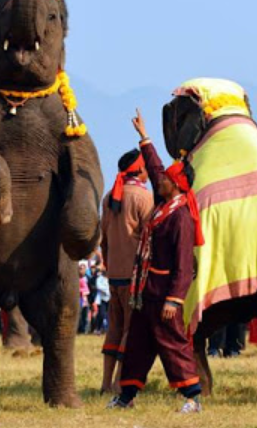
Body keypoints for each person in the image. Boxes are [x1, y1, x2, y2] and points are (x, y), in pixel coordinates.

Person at [107, 109, 204, 413]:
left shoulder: (181, 218)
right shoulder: (165, 204)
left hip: (164, 294)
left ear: (175, 185)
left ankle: (192, 397)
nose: (158, 181)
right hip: (145, 292)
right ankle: (126, 396)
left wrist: (174, 300)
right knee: (137, 343)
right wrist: (144, 136)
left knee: (173, 343)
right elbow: (156, 165)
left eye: (165, 180)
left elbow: (184, 265)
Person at [99, 148, 153, 393]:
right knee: (131, 331)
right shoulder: (144, 197)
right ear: (140, 170)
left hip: (114, 274)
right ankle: (121, 384)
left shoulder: (109, 197)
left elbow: (104, 240)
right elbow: (149, 238)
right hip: (135, 275)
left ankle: (105, 383)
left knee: (114, 328)